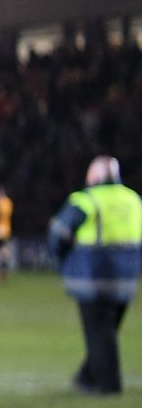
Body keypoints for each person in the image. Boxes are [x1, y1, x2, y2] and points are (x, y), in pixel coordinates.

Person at [49, 155, 140, 395]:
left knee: (98, 331)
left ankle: (107, 384)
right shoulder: (134, 200)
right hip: (127, 279)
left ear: (96, 176)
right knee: (107, 330)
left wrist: (62, 260)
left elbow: (59, 232)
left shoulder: (87, 200)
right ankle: (86, 377)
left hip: (94, 276)